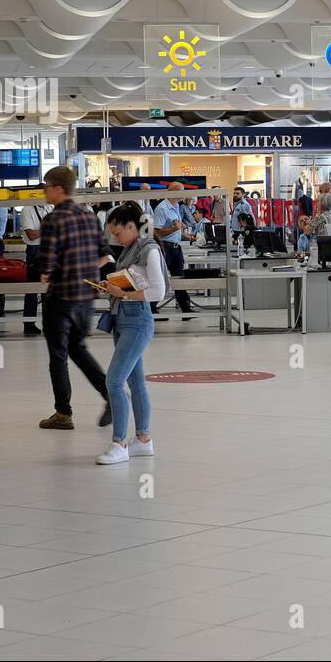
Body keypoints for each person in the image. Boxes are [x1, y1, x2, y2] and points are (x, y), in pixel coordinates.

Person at [36, 166, 113, 430]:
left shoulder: (52, 220)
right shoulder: (90, 216)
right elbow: (105, 255)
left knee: (58, 355)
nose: (44, 191)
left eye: (46, 186)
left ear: (58, 188)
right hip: (85, 297)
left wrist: (47, 273)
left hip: (60, 297)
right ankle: (109, 394)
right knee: (78, 349)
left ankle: (63, 413)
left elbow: (46, 264)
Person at [93, 202, 166, 465]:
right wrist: (112, 285)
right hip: (122, 319)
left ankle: (119, 443)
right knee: (135, 382)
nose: (114, 237)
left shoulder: (149, 250)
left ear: (132, 226)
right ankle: (143, 440)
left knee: (113, 381)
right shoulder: (129, 250)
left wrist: (122, 293)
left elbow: (158, 292)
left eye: (117, 231)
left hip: (137, 321)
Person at [151, 182, 196, 316]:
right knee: (162, 278)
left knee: (180, 278)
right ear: (174, 191)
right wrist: (174, 229)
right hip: (165, 248)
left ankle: (186, 309)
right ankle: (151, 307)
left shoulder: (176, 206)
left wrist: (182, 234)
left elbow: (174, 227)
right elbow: (156, 233)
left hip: (176, 247)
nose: (184, 194)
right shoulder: (162, 208)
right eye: (181, 191)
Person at [20, 200, 49, 337]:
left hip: (50, 250)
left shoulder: (51, 207)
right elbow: (31, 235)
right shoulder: (27, 209)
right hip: (34, 251)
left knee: (48, 290)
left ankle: (48, 324)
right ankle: (29, 324)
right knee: (31, 289)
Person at [298, 190, 331, 254]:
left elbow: (308, 229)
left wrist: (306, 221)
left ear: (322, 204)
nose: (316, 204)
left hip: (324, 250)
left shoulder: (321, 217)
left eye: (318, 202)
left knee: (305, 240)